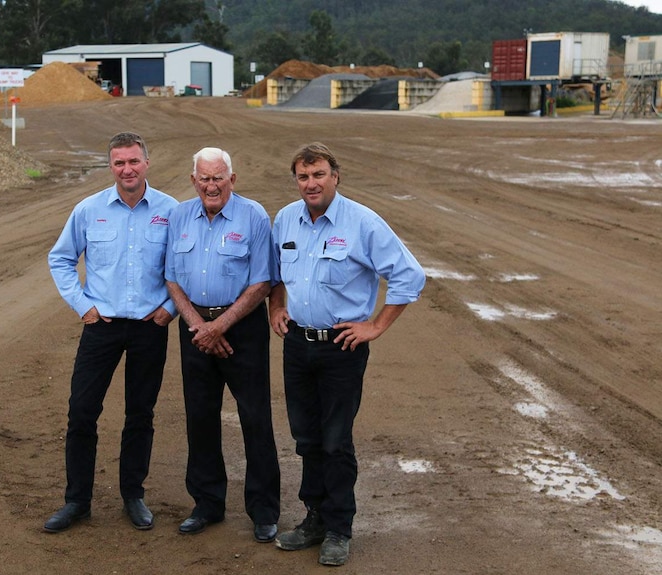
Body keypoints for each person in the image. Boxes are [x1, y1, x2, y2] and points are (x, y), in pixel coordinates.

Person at [268, 142, 426, 566]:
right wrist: (276, 307)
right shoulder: (285, 220)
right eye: (303, 176)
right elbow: (272, 274)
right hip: (298, 345)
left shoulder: (362, 223)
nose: (311, 183)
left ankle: (339, 528)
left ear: (335, 176)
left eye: (319, 174)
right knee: (306, 438)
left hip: (342, 346)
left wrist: (375, 326)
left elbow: (409, 276)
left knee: (335, 441)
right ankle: (313, 518)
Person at [45, 132, 178, 533]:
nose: (127, 170)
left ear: (147, 163)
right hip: (101, 327)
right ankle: (77, 501)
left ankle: (133, 495)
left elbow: (184, 267)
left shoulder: (172, 211)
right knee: (82, 412)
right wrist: (83, 306)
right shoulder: (89, 210)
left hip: (148, 328)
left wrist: (169, 310)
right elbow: (61, 258)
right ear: (111, 167)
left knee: (141, 413)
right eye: (119, 163)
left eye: (134, 161)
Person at [165, 147, 281, 543]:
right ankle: (207, 503)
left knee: (255, 418)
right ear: (193, 179)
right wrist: (200, 325)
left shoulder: (254, 217)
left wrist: (222, 326)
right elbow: (171, 279)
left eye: (219, 178)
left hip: (242, 329)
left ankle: (264, 510)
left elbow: (263, 282)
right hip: (195, 327)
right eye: (204, 178)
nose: (211, 185)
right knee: (200, 417)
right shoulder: (179, 216)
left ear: (233, 179)